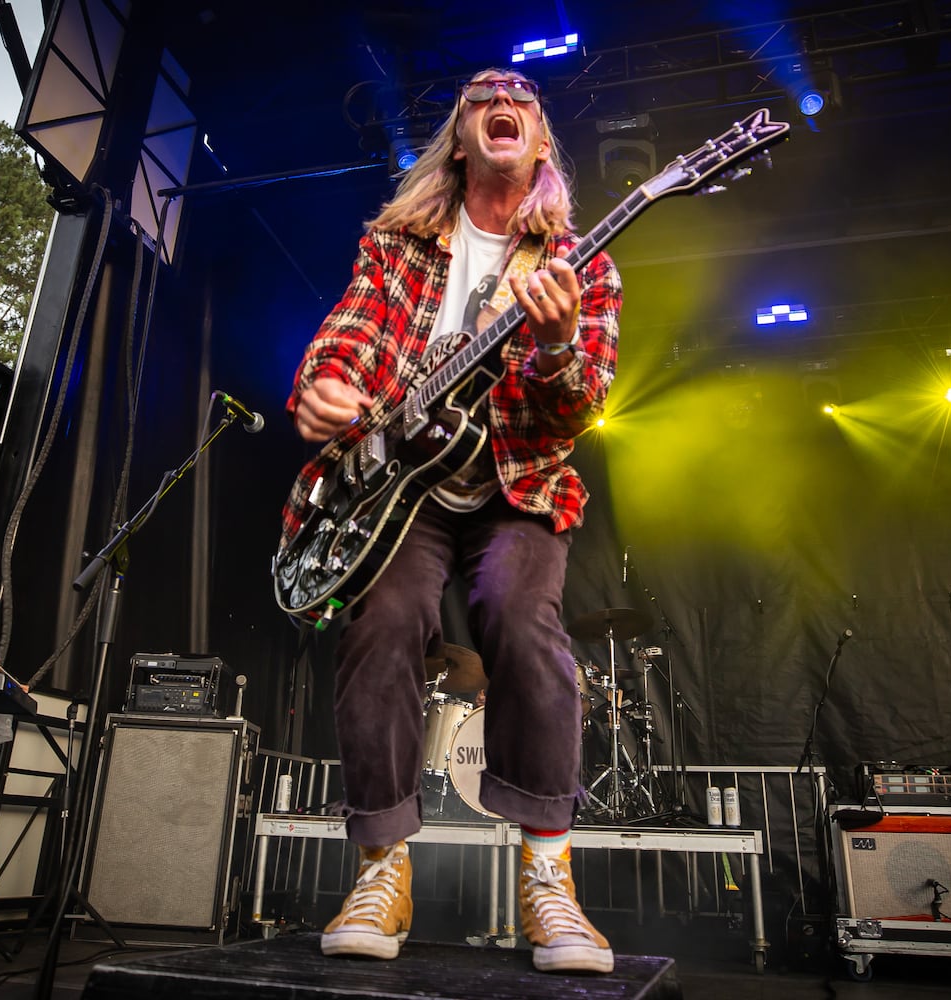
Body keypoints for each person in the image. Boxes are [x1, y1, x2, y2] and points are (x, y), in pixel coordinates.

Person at [281, 67, 622, 974]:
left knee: (521, 616)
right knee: (382, 623)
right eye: (479, 99)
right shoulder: (397, 244)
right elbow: (347, 334)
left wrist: (553, 349)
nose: (499, 102)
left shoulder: (579, 263)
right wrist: (324, 386)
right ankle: (381, 869)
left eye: (520, 101)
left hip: (517, 485)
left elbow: (575, 408)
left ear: (540, 143)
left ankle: (550, 878)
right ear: (462, 139)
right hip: (402, 495)